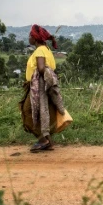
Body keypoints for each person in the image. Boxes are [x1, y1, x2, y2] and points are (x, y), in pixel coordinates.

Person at [20, 24, 66, 152]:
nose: (29, 37)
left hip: (38, 87)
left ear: (35, 38)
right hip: (45, 85)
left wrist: (39, 81)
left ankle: (43, 140)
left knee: (28, 112)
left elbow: (41, 68)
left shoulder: (40, 51)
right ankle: (48, 141)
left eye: (30, 35)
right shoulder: (47, 50)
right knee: (43, 112)